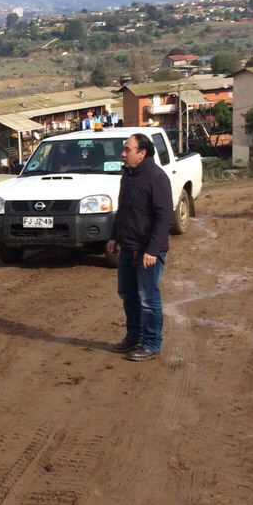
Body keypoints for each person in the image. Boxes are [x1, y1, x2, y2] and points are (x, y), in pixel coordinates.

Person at [107, 132, 173, 361]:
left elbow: (164, 216)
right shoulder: (128, 175)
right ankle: (134, 337)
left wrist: (153, 250)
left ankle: (152, 343)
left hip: (147, 252)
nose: (122, 154)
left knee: (148, 300)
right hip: (128, 248)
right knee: (128, 295)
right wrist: (114, 236)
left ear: (142, 153)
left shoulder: (156, 177)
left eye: (127, 149)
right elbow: (123, 210)